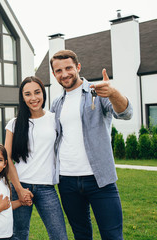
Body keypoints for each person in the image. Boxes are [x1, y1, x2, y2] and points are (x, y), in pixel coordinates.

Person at [49, 49, 133, 240]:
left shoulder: (99, 92)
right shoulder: (56, 103)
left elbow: (126, 113)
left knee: (112, 235)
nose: (64, 74)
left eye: (68, 68)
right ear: (54, 75)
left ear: (78, 67)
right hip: (67, 180)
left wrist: (113, 93)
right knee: (81, 235)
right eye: (58, 71)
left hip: (100, 180)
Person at [4, 76, 68, 240]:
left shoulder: (54, 119)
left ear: (43, 93)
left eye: (37, 92)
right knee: (19, 235)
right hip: (21, 186)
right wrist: (18, 189)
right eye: (28, 94)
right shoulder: (14, 124)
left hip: (47, 188)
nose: (33, 98)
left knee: (59, 236)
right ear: (22, 97)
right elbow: (7, 158)